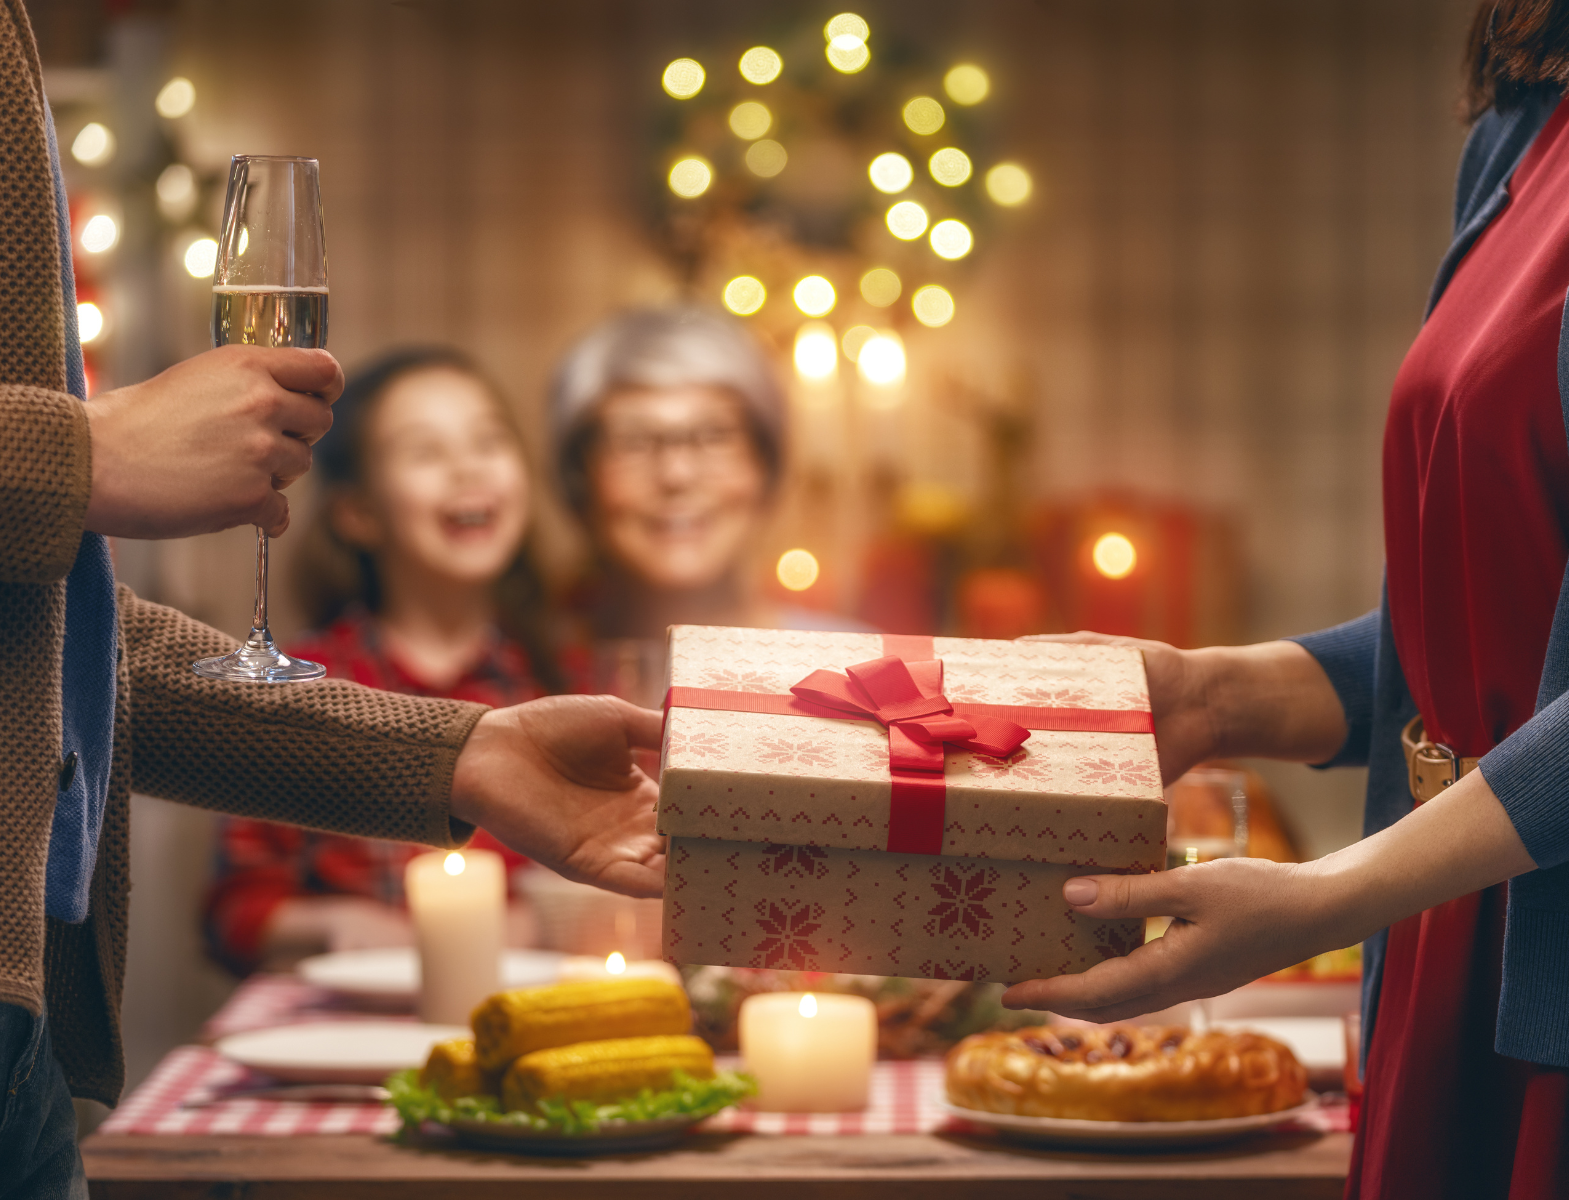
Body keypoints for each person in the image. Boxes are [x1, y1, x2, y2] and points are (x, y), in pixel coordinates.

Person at [0, 5, 662, 1197]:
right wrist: (73, 455)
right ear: (358, 511)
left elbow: (40, 635)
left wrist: (464, 752)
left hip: (15, 1018)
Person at [1003, 5, 1569, 1196]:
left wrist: (1330, 893)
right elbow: (1500, 629)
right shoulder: (1525, 118)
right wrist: (1216, 695)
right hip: (1453, 924)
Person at [203, 348, 568, 974]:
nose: (468, 468)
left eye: (489, 441)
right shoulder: (300, 689)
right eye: (426, 452)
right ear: (358, 514)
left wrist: (548, 922)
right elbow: (234, 913)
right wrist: (337, 927)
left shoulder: (562, 679)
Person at [550, 306, 864, 703]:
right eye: (633, 440)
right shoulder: (520, 674)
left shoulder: (859, 670)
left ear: (763, 463)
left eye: (714, 434)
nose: (676, 474)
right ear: (580, 475)